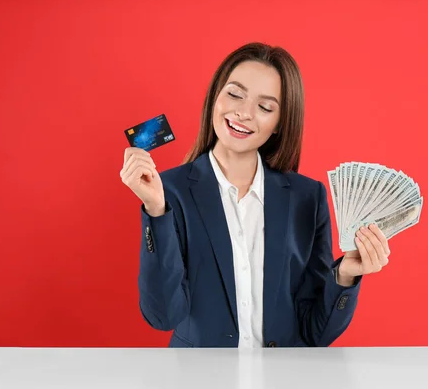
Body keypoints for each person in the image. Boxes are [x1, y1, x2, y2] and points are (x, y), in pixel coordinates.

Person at [120, 42, 391, 348]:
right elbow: (163, 316)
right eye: (235, 94)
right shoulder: (169, 190)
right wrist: (156, 209)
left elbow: (316, 332)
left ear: (279, 124)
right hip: (199, 377)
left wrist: (344, 276)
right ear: (215, 98)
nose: (244, 113)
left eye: (265, 107)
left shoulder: (308, 197)